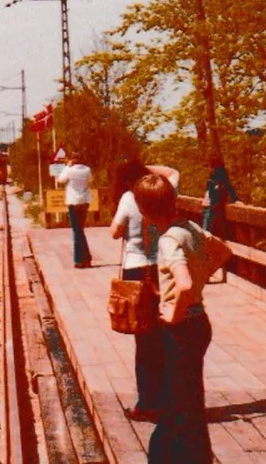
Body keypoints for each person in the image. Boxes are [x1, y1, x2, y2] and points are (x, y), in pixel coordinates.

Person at [133, 174, 214, 464]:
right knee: (190, 399)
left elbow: (184, 284)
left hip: (182, 327)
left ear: (143, 211)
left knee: (175, 403)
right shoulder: (191, 228)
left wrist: (173, 313)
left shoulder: (167, 242)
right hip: (200, 321)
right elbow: (221, 251)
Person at [109, 159, 180, 424]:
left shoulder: (129, 198)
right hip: (164, 270)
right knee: (165, 336)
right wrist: (148, 168)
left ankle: (146, 403)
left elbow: (115, 232)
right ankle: (166, 401)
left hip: (136, 271)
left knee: (144, 340)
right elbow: (174, 171)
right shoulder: (164, 191)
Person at [56, 151, 93, 268]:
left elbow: (60, 179)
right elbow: (90, 180)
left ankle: (80, 260)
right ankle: (86, 258)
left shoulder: (70, 170)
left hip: (73, 202)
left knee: (77, 231)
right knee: (80, 230)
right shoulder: (87, 169)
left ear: (72, 159)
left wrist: (67, 166)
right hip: (84, 201)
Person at [200, 158, 239, 238]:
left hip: (215, 206)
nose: (208, 169)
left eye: (209, 167)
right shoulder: (212, 180)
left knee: (210, 226)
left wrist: (235, 199)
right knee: (209, 226)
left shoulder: (216, 180)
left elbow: (228, 187)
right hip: (212, 206)